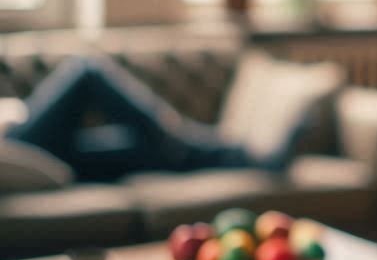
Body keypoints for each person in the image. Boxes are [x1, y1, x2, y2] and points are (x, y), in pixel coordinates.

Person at [5, 54, 253, 182]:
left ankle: (222, 153)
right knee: (86, 71)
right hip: (13, 148)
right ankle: (182, 140)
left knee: (134, 148)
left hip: (27, 146)